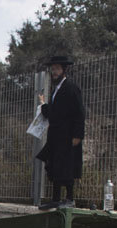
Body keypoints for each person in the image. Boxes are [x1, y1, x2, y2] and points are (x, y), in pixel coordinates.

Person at [36, 55, 85, 210]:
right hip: (56, 136)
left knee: (67, 166)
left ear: (64, 70)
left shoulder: (71, 88)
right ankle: (56, 199)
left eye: (57, 69)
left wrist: (78, 135)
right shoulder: (55, 90)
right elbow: (54, 112)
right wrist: (43, 105)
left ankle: (70, 198)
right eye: (53, 69)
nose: (54, 72)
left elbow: (79, 113)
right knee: (55, 166)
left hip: (68, 135)